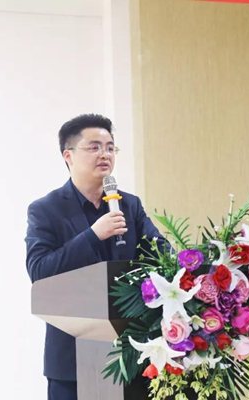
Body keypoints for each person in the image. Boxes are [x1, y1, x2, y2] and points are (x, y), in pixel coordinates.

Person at [25, 114, 168, 400]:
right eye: (94, 147)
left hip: (132, 355)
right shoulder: (46, 210)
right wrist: (92, 235)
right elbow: (40, 271)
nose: (105, 154)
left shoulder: (129, 204)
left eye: (110, 147)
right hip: (72, 360)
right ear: (68, 155)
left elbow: (162, 255)